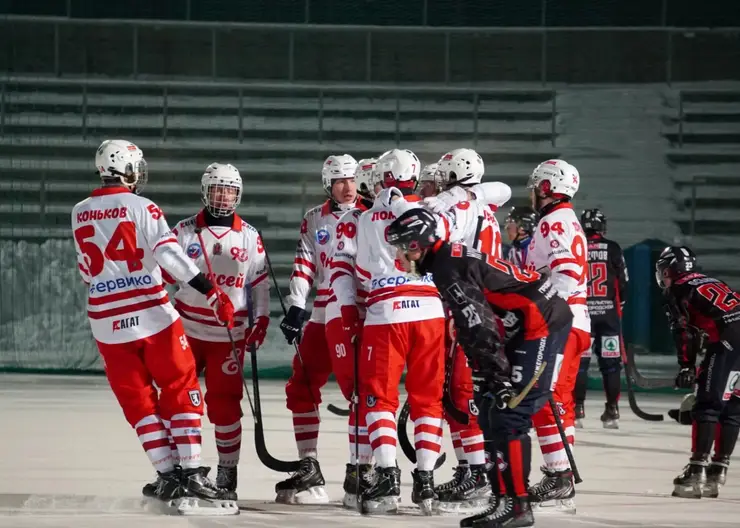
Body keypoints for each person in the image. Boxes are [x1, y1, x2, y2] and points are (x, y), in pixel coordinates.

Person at [71, 140, 237, 514]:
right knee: (181, 385)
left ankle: (166, 473)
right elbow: (168, 254)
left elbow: (87, 272)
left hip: (106, 321)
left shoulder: (79, 211)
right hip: (151, 313)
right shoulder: (142, 206)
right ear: (127, 169)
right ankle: (193, 471)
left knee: (139, 402)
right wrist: (211, 292)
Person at [386, 207, 572, 528]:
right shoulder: (445, 259)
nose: (397, 256)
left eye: (401, 247)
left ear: (417, 245)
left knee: (509, 413)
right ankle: (503, 500)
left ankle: (518, 507)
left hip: (541, 321)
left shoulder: (446, 269)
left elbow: (478, 325)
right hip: (526, 321)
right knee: (489, 410)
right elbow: (478, 322)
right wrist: (487, 373)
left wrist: (495, 375)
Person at [166, 163, 270, 495]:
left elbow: (260, 285)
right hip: (187, 330)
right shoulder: (183, 230)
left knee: (225, 404)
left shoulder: (250, 235)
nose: (223, 195)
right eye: (217, 188)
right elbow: (164, 273)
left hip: (229, 333)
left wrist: (262, 320)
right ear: (205, 191)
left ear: (238, 194)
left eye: (229, 190)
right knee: (179, 399)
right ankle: (180, 468)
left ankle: (227, 472)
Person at [417, 148, 512, 511]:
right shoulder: (482, 206)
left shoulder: (457, 207)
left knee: (462, 395)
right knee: (457, 397)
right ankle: (470, 468)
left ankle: (478, 473)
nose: (437, 184)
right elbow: (499, 190)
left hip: (467, 307)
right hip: (481, 304)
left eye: (443, 178)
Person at [354, 148, 446, 514]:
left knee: (380, 398)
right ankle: (425, 482)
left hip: (386, 312)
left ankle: (388, 475)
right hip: (430, 309)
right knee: (428, 399)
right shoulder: (434, 211)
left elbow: (362, 272)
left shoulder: (367, 218)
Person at [275, 154, 359, 504]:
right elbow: (304, 265)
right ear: (328, 184)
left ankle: (362, 469)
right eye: (339, 180)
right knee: (301, 385)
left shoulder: (373, 213)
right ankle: (309, 466)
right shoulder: (313, 218)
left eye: (352, 178)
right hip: (323, 311)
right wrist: (296, 308)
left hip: (357, 310)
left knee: (362, 391)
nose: (348, 186)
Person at [524, 159, 589, 513]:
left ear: (547, 188)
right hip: (575, 319)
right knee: (556, 399)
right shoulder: (565, 219)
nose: (533, 193)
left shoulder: (553, 221)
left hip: (563, 319)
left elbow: (564, 275)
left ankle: (559, 477)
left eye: (537, 186)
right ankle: (558, 473)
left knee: (545, 397)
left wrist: (546, 317)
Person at [655, 246, 740, 499]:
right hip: (735, 336)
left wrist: (686, 365)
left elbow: (683, 331)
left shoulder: (677, 289)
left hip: (729, 342)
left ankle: (696, 471)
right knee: (733, 406)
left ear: (669, 269)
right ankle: (717, 470)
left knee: (708, 405)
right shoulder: (712, 280)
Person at [323, 158, 376, 508]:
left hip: (380, 314)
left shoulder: (388, 217)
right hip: (346, 313)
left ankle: (372, 470)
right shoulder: (352, 220)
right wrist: (346, 313)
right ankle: (359, 472)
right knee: (360, 394)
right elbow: (339, 272)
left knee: (375, 394)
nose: (352, 187)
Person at [573, 209, 628, 429]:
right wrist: (618, 305)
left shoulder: (577, 246)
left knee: (580, 364)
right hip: (608, 317)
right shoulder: (613, 248)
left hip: (583, 315)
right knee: (611, 365)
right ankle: (612, 410)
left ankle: (577, 409)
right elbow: (623, 282)